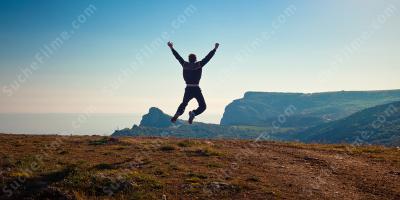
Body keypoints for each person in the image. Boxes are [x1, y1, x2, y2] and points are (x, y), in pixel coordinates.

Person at [168, 41, 219, 124]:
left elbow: (178, 57)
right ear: (195, 59)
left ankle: (178, 113)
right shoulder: (199, 65)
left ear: (189, 59)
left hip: (188, 88)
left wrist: (171, 48)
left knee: (184, 104)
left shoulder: (184, 64)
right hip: (196, 88)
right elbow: (208, 58)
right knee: (203, 106)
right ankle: (193, 113)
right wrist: (215, 49)